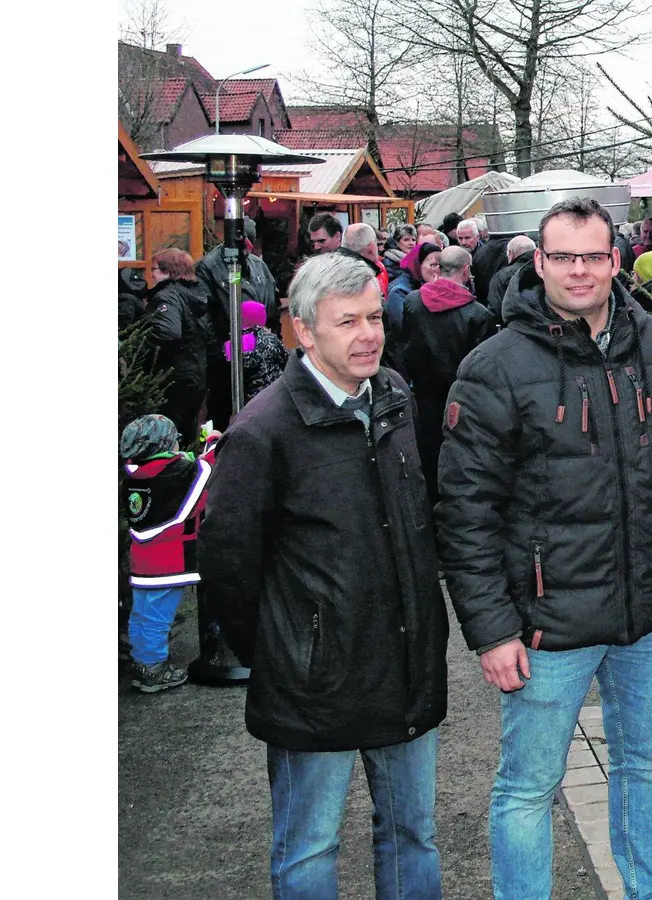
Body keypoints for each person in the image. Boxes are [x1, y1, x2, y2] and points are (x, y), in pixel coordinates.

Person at [435, 197, 652, 900]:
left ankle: (649, 893)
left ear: (616, 260)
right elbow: (465, 513)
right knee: (527, 790)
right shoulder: (494, 366)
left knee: (644, 769)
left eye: (593, 256)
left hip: (651, 616)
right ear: (538, 262)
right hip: (547, 626)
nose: (579, 271)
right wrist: (492, 628)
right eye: (563, 257)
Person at [198, 253, 450, 900]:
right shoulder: (262, 432)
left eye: (374, 317)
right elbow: (228, 564)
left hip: (405, 663)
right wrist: (287, 650)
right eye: (347, 322)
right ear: (304, 331)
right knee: (310, 848)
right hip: (314, 685)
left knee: (412, 834)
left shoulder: (392, 394)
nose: (369, 334)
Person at [122, 413, 217, 693]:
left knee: (142, 614)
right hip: (167, 564)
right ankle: (153, 669)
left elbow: (179, 467)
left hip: (142, 562)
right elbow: (206, 473)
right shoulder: (174, 475)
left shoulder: (138, 474)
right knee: (157, 617)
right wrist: (212, 442)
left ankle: (141, 661)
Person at [397, 246, 492, 502]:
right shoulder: (478, 314)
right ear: (466, 270)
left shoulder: (413, 302)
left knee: (428, 459)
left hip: (424, 397)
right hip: (462, 401)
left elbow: (407, 348)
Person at [196, 217, 282, 430]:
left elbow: (273, 304)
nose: (247, 251)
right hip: (225, 357)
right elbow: (204, 313)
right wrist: (218, 351)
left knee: (260, 410)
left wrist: (270, 341)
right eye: (244, 244)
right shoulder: (209, 266)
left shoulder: (258, 265)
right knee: (223, 413)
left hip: (259, 354)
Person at [143, 248, 211, 444]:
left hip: (173, 378)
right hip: (195, 374)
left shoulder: (167, 297)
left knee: (170, 434)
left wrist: (144, 346)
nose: (151, 275)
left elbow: (168, 332)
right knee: (187, 434)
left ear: (167, 272)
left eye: (154, 269)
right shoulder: (194, 295)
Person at [223, 300, 289, 407]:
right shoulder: (269, 338)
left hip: (249, 403)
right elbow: (286, 362)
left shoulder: (231, 345)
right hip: (276, 394)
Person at [385, 241, 443, 330]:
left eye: (441, 265)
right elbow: (402, 329)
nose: (438, 270)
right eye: (433, 265)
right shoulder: (398, 291)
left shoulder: (423, 283)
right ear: (418, 264)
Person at [484, 234, 536, 326]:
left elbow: (495, 310)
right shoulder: (545, 270)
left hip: (514, 330)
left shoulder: (502, 276)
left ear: (511, 253)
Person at [341, 223, 390, 296]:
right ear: (371, 245)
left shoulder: (334, 273)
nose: (379, 248)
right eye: (377, 244)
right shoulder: (375, 271)